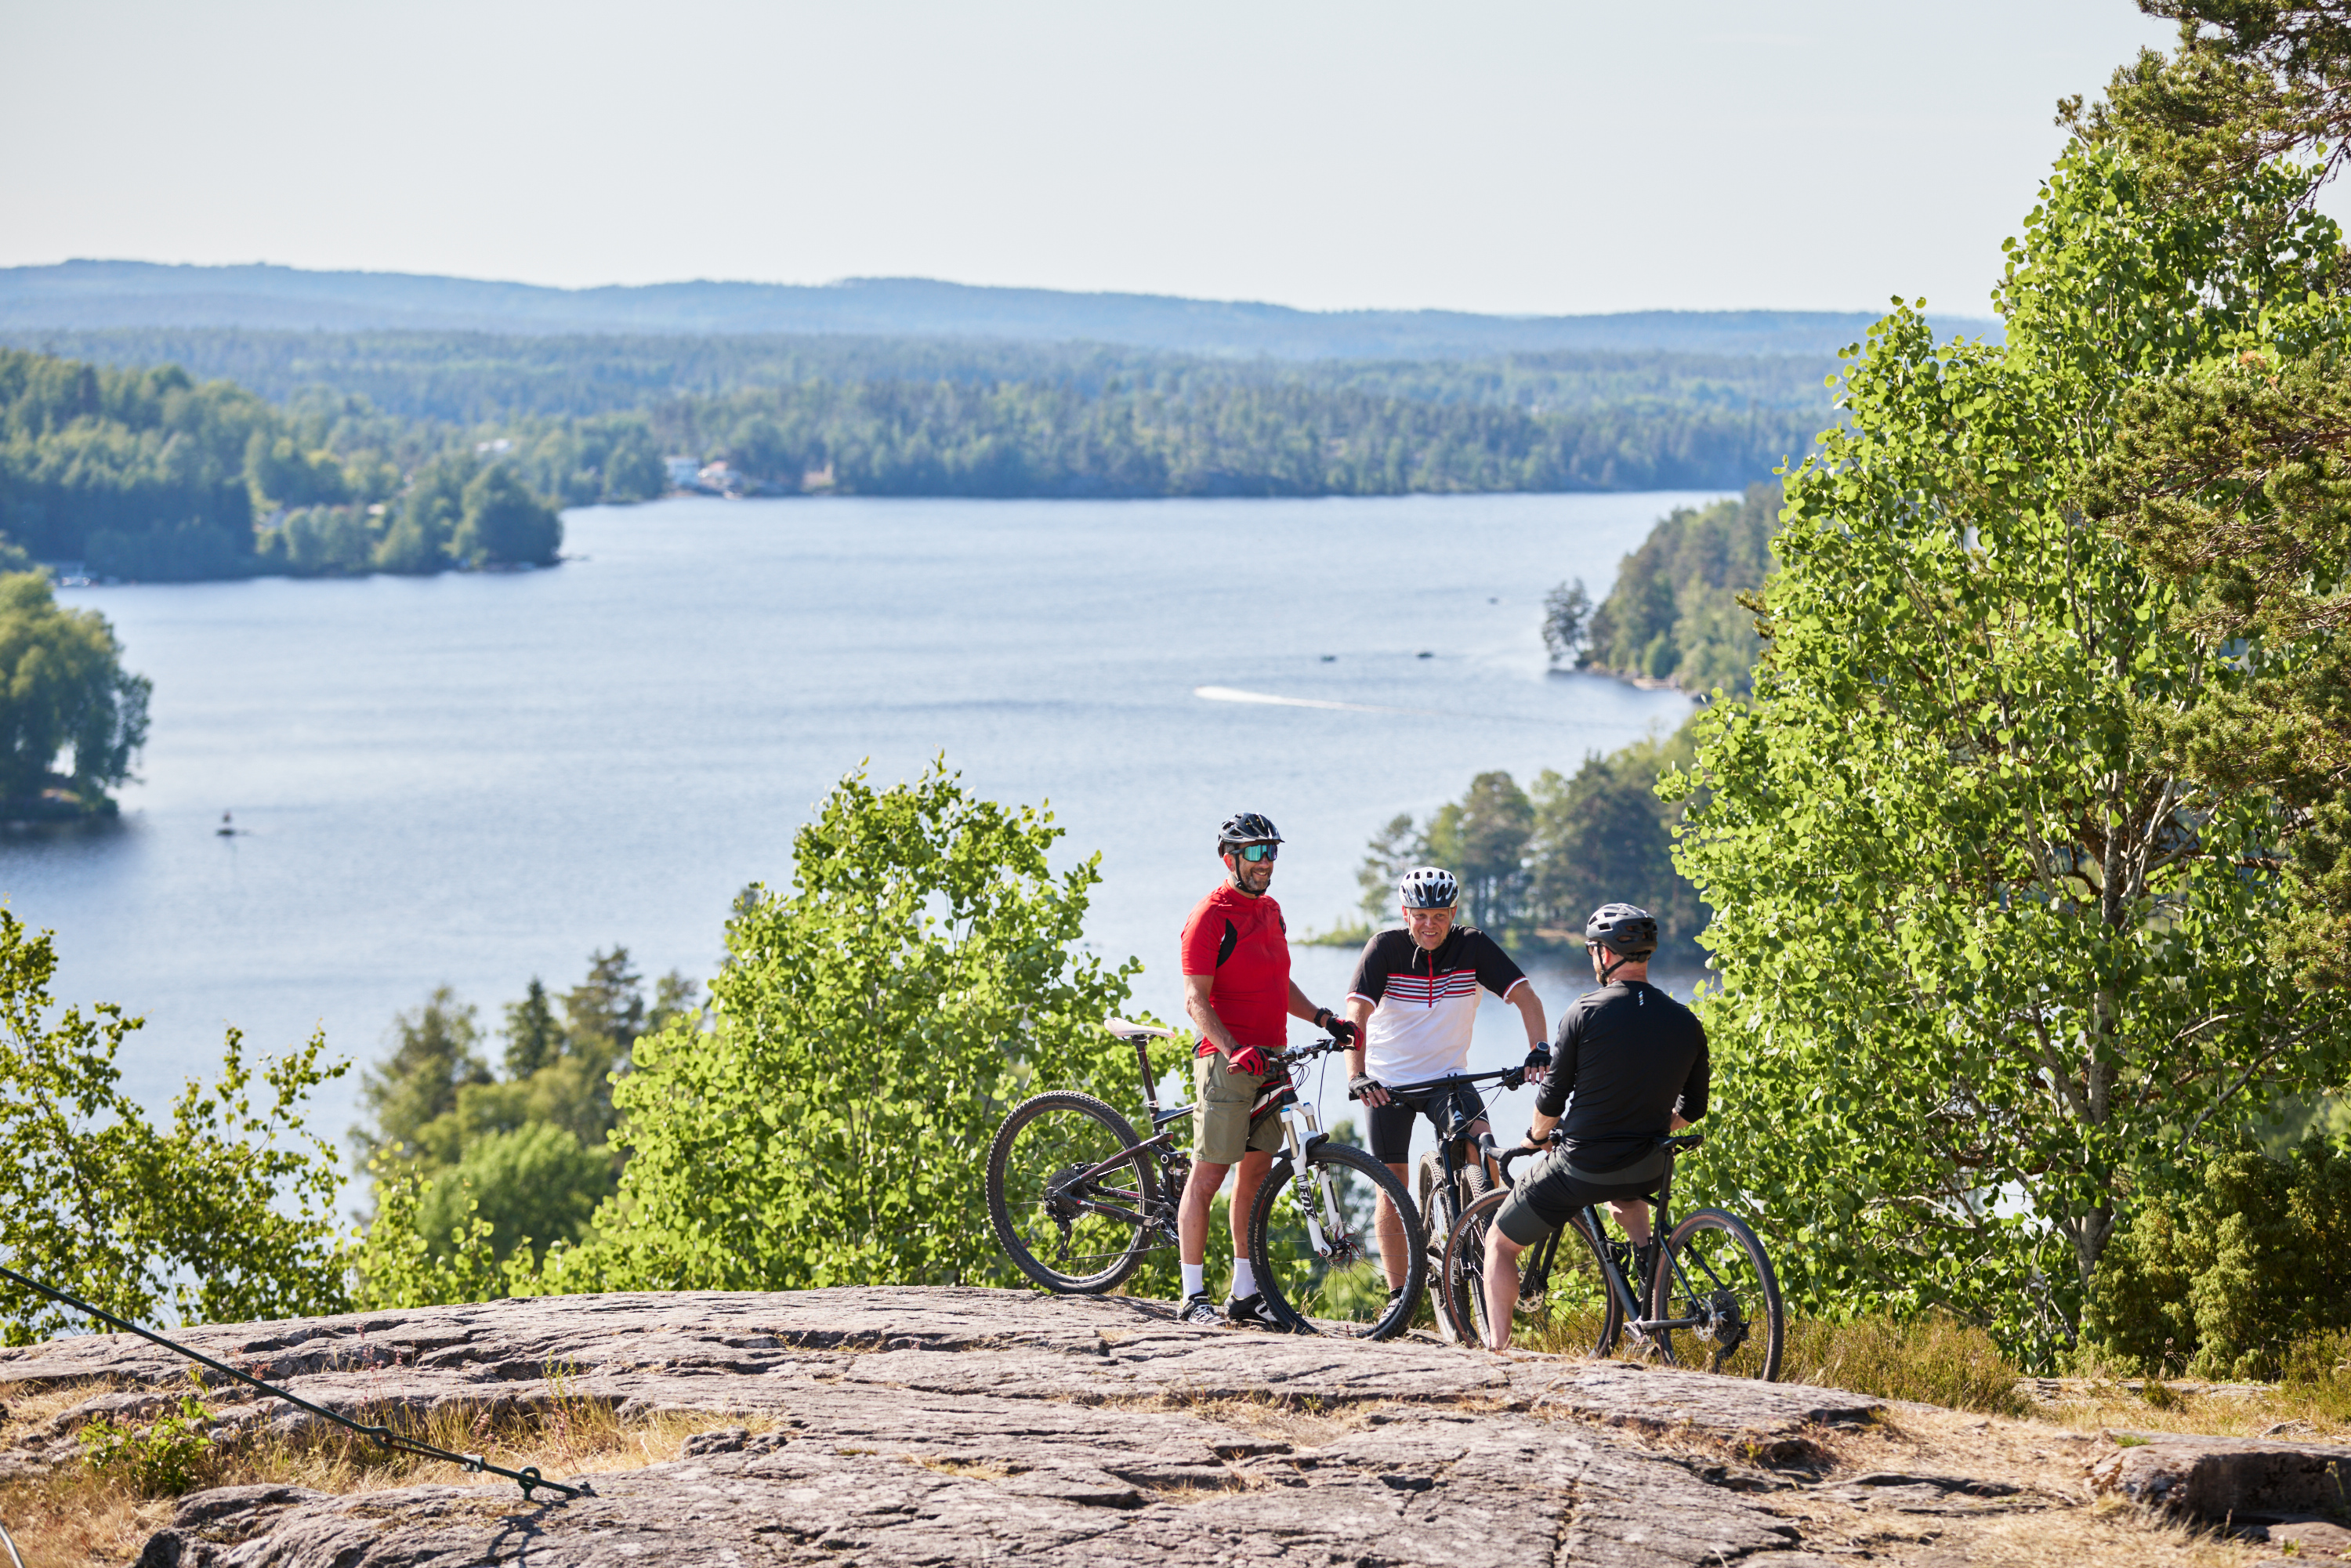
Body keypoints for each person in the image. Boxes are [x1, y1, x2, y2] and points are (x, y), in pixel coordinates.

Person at [1479, 902, 1708, 1353]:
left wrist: (1535, 1140)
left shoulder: (1583, 1012)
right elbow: (1694, 1108)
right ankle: (1651, 1295)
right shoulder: (1685, 1019)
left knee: (1500, 1243)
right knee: (1629, 1202)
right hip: (1648, 1164)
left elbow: (1551, 1099)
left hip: (1581, 1167)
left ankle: (1497, 1350)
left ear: (1606, 955)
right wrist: (1645, 1125)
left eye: (1592, 951)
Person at [1175, 811, 1357, 1329]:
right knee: (1209, 1174)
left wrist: (1323, 1017)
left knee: (1253, 1180)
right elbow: (1195, 1000)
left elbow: (1280, 985)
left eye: (1271, 851)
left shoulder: (1272, 911)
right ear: (1228, 857)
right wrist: (1232, 1048)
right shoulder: (1210, 916)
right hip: (1228, 1061)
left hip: (1273, 1059)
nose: (1265, 862)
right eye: (1254, 852)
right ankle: (1192, 1296)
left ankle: (1245, 1294)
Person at [1342, 866, 1549, 1316]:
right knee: (1390, 1190)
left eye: (1439, 915)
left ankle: (1485, 1244)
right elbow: (1355, 1014)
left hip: (1449, 1080)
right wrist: (1357, 1075)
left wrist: (1539, 1050)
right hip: (1388, 1085)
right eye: (1420, 915)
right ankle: (1399, 1299)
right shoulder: (1385, 948)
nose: (1429, 925)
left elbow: (1527, 998)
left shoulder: (1472, 945)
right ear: (1405, 913)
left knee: (1485, 1152)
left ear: (1453, 913)